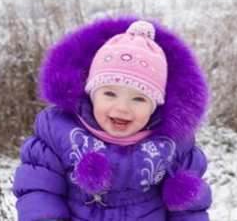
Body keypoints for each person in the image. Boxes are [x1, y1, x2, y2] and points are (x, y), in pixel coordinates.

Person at [12, 17, 212, 221]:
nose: (122, 108)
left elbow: (190, 209)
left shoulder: (173, 144)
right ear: (91, 94)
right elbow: (40, 190)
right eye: (109, 94)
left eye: (139, 99)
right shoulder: (59, 131)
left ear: (156, 106)